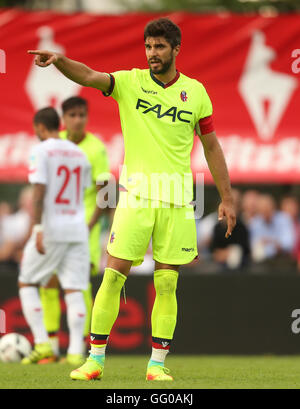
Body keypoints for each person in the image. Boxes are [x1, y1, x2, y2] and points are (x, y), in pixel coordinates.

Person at [28, 17, 236, 381]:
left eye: (159, 47)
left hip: (176, 200)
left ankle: (156, 365)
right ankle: (94, 360)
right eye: (148, 46)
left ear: (175, 49)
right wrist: (60, 61)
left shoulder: (197, 92)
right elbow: (90, 76)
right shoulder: (129, 81)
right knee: (112, 276)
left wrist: (227, 198)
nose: (152, 53)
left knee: (167, 283)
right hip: (136, 195)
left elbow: (212, 145)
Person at [39, 96, 110, 364]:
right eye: (73, 115)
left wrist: (90, 226)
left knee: (78, 285)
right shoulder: (55, 147)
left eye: (82, 115)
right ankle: (50, 346)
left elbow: (106, 192)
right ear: (64, 119)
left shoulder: (96, 148)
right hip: (56, 227)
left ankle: (81, 348)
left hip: (84, 229)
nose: (78, 120)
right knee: (49, 282)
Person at [18, 107, 91, 364]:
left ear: (39, 127)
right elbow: (84, 191)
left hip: (51, 228)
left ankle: (43, 344)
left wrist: (37, 228)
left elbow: (39, 191)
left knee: (27, 282)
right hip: (77, 228)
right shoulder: (79, 152)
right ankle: (75, 352)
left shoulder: (40, 151)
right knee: (74, 289)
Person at [210, 189, 250, 270]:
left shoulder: (241, 227)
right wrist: (222, 254)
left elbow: (244, 250)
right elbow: (213, 251)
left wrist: (229, 253)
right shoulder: (217, 227)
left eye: (234, 204)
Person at [249, 194, 295, 263]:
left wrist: (270, 242)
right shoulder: (254, 223)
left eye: (267, 208)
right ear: (258, 210)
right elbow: (254, 246)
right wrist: (274, 245)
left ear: (273, 207)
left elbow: (289, 244)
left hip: (283, 260)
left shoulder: (284, 218)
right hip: (262, 262)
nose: (265, 211)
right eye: (262, 209)